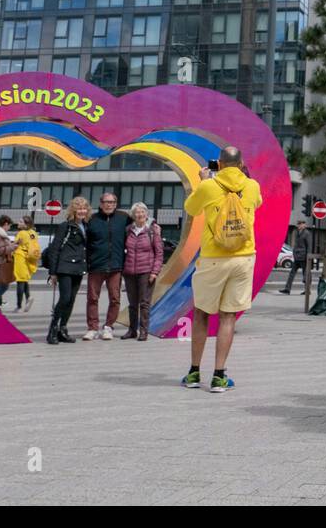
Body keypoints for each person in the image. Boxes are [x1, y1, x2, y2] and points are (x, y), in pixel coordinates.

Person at [181, 146, 262, 393]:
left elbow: (191, 209)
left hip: (213, 258)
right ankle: (219, 376)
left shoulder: (208, 186)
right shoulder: (252, 185)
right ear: (241, 163)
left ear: (221, 163)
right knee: (228, 316)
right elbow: (256, 204)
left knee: (202, 313)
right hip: (243, 257)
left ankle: (194, 372)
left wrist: (204, 180)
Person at [83, 191, 127, 340]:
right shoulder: (91, 219)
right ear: (101, 204)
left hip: (115, 266)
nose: (109, 205)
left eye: (112, 202)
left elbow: (142, 219)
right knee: (92, 298)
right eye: (106, 202)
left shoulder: (123, 218)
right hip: (96, 266)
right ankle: (92, 328)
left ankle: (108, 327)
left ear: (116, 204)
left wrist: (153, 226)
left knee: (115, 298)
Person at [46, 197, 90, 345]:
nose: (82, 211)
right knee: (64, 298)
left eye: (84, 208)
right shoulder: (65, 226)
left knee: (71, 300)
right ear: (73, 210)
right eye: (79, 208)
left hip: (78, 267)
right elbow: (55, 249)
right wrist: (53, 272)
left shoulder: (86, 226)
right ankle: (52, 329)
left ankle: (62, 329)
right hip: (65, 267)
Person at [122, 202, 163, 340]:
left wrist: (154, 272)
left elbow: (159, 254)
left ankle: (143, 331)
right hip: (129, 272)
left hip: (146, 272)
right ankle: (132, 330)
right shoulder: (128, 230)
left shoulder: (152, 231)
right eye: (137, 213)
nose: (139, 215)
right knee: (132, 304)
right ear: (133, 216)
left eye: (142, 212)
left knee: (144, 303)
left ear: (146, 215)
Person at [12, 216, 41, 314]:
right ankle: (28, 297)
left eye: (20, 222)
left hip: (21, 257)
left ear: (26, 224)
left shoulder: (21, 233)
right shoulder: (33, 233)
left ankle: (19, 306)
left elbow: (14, 245)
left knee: (20, 280)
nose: (18, 223)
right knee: (24, 279)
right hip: (30, 258)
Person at [280, 224, 310, 295]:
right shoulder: (297, 232)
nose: (298, 225)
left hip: (303, 257)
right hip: (297, 257)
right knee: (292, 273)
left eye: (300, 224)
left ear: (304, 225)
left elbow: (309, 245)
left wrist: (308, 256)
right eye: (298, 224)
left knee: (305, 274)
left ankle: (307, 290)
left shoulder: (306, 233)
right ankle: (287, 289)